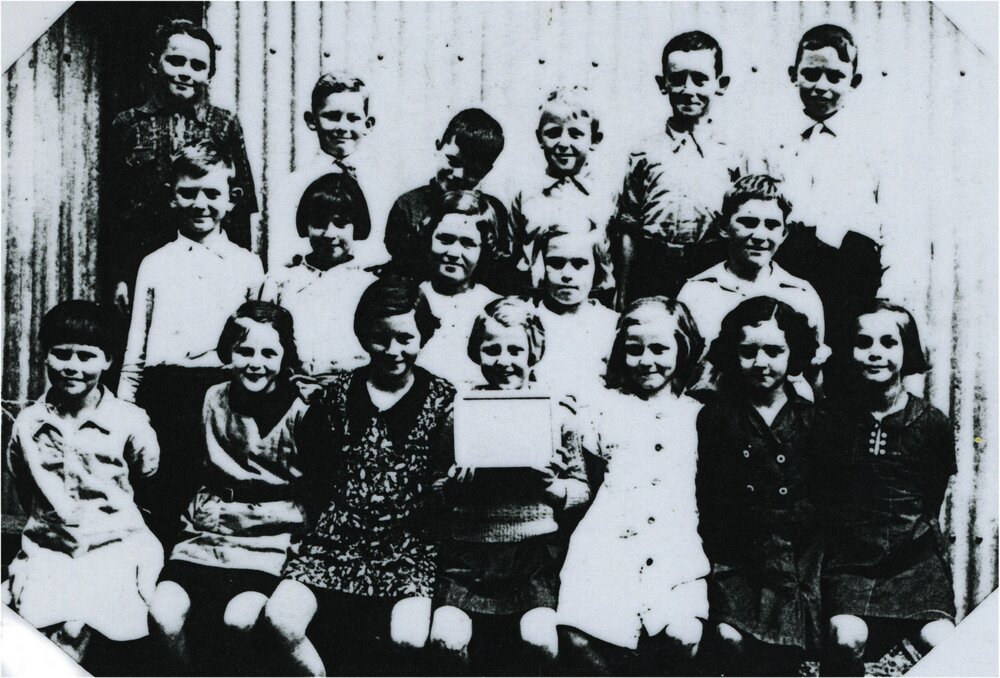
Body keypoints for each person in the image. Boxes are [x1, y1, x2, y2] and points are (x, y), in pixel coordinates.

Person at [259, 276, 455, 676]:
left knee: (408, 638)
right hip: (335, 541)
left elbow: (444, 480)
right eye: (379, 338)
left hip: (407, 548)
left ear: (424, 336)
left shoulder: (444, 399)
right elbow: (314, 472)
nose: (393, 350)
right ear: (363, 335)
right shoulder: (338, 394)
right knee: (280, 618)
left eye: (405, 338)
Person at [427, 297, 590, 674]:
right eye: (492, 349)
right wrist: (454, 486)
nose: (504, 360)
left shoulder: (557, 412)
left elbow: (581, 487)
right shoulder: (460, 412)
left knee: (540, 641)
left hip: (533, 558)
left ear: (535, 351)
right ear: (476, 352)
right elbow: (434, 488)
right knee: (446, 641)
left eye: (516, 349)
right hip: (469, 556)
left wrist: (552, 488)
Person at [148, 301, 310, 674]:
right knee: (163, 614)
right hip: (208, 533)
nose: (256, 362)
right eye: (245, 351)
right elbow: (188, 470)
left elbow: (316, 489)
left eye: (269, 352)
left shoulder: (302, 409)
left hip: (267, 539)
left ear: (286, 357)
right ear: (228, 353)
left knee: (240, 619)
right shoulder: (212, 398)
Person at [118, 140, 264, 546]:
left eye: (213, 193)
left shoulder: (247, 265)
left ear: (232, 200)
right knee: (162, 493)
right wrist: (125, 410)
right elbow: (136, 349)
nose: (201, 203)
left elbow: (257, 342)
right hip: (164, 395)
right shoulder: (155, 263)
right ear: (171, 197)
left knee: (217, 493)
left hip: (224, 394)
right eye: (188, 192)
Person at [3, 301, 163, 664]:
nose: (72, 366)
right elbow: (23, 483)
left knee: (75, 631)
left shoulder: (130, 421)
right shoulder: (28, 424)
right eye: (61, 355)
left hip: (114, 547)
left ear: (108, 360)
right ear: (45, 356)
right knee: (32, 636)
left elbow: (146, 474)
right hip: (51, 547)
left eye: (86, 356)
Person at [557, 297, 709, 675]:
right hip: (606, 544)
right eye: (634, 350)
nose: (646, 360)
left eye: (659, 349)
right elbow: (586, 481)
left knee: (683, 635)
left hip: (676, 547)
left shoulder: (699, 414)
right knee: (578, 636)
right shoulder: (602, 408)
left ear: (683, 349)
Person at [821, 300, 955, 676]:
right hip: (852, 562)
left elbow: (932, 497)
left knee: (944, 642)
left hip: (915, 563)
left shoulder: (931, 424)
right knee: (846, 636)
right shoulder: (833, 419)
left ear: (906, 350)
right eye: (864, 343)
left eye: (888, 342)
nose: (875, 353)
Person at [696, 297, 827, 676]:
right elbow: (710, 494)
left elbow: (824, 493)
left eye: (774, 351)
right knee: (732, 639)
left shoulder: (812, 420)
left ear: (794, 353)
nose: (761, 362)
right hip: (737, 555)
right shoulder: (716, 418)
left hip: (795, 557)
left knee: (785, 652)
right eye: (748, 351)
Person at [103, 19, 258, 312]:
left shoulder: (224, 125)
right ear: (154, 63)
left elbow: (240, 206)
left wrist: (239, 271)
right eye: (176, 61)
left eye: (198, 66)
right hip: (142, 261)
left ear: (210, 74)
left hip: (209, 262)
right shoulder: (127, 124)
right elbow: (113, 210)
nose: (186, 72)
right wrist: (119, 277)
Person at [770, 24, 884, 401]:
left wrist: (885, 296)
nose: (822, 85)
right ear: (793, 75)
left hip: (850, 275)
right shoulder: (774, 139)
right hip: (790, 267)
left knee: (843, 378)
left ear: (855, 80)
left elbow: (894, 225)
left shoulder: (873, 143)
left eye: (835, 76)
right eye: (811, 73)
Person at [611, 30, 745, 305]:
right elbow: (629, 227)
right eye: (678, 79)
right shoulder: (643, 152)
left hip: (712, 265)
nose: (688, 90)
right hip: (653, 266)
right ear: (663, 84)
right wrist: (623, 292)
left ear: (721, 84)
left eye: (700, 79)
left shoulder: (734, 153)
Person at [383, 108, 516, 293]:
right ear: (439, 146)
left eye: (473, 170)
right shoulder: (408, 206)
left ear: (487, 170)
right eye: (453, 161)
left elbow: (498, 275)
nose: (458, 175)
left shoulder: (495, 211)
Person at [260, 173, 377, 378]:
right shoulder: (281, 282)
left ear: (357, 225)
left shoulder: (371, 286)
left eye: (341, 223)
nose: (330, 234)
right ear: (305, 224)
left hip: (351, 389)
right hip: (291, 387)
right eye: (320, 223)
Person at [509, 87, 617, 300]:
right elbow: (511, 254)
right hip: (534, 299)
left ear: (595, 139)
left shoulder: (607, 195)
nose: (563, 143)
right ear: (539, 137)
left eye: (576, 134)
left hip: (594, 301)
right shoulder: (526, 194)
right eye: (553, 133)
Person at [267, 72, 379, 270]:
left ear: (368, 125)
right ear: (312, 120)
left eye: (353, 118)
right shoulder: (291, 187)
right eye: (333, 117)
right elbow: (282, 257)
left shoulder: (382, 186)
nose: (343, 127)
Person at [415, 191, 503, 389]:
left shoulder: (495, 307)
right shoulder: (411, 298)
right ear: (429, 238)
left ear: (484, 249)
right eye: (445, 240)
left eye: (468, 243)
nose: (454, 253)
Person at [531, 230, 619, 400]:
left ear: (598, 266)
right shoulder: (526, 320)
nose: (567, 275)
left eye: (579, 264)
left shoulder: (613, 324)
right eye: (556, 263)